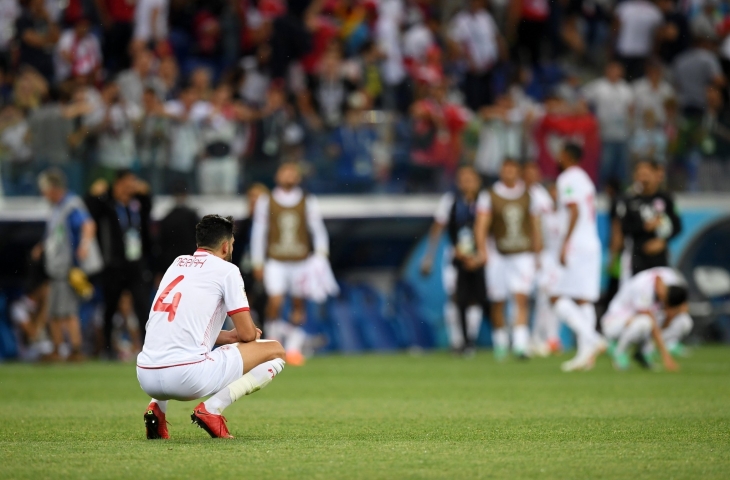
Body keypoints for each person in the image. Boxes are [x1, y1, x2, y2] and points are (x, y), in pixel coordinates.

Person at [137, 215, 286, 440]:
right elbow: (247, 334)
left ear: (199, 244)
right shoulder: (227, 270)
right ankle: (212, 409)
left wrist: (225, 337)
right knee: (275, 351)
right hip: (187, 377)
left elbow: (179, 324)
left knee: (171, 342)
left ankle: (156, 407)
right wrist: (246, 335)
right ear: (226, 246)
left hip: (145, 374)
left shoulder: (176, 264)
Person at [250, 162, 334, 366]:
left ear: (297, 177)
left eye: (292, 173)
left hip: (300, 261)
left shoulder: (307, 200)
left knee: (298, 304)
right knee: (275, 302)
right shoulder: (267, 201)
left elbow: (317, 228)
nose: (288, 176)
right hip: (276, 260)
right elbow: (259, 232)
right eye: (284, 172)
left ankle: (294, 347)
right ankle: (272, 344)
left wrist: (321, 255)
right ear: (277, 176)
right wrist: (257, 261)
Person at [473, 158, 541, 360]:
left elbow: (535, 224)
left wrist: (538, 252)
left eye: (512, 170)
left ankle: (520, 343)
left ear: (518, 172)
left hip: (522, 254)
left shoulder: (529, 194)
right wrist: (482, 250)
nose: (509, 173)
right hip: (499, 254)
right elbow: (481, 225)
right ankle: (501, 343)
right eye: (505, 170)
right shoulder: (490, 195)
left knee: (521, 298)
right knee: (498, 301)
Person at [85, 170, 153, 358]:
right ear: (118, 183)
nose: (132, 186)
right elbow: (90, 211)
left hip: (136, 264)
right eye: (129, 182)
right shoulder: (106, 204)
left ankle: (148, 349)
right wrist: (94, 193)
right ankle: (108, 349)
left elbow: (149, 210)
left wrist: (146, 193)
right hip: (113, 265)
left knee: (142, 306)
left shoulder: (136, 203)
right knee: (110, 307)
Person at [420, 166, 487, 356]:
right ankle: (457, 340)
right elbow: (437, 228)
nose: (466, 182)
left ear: (477, 181)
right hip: (455, 256)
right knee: (455, 297)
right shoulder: (449, 201)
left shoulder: (485, 200)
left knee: (476, 299)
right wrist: (429, 257)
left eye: (470, 178)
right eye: (462, 178)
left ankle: (470, 339)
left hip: (479, 255)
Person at [551, 143, 606, 372]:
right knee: (584, 299)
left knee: (556, 297)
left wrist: (565, 243)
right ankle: (586, 354)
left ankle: (592, 339)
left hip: (577, 244)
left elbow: (574, 210)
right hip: (591, 243)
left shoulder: (567, 179)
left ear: (565, 155)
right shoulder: (585, 179)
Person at [38, 168, 99, 362]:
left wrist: (84, 245)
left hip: (67, 269)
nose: (43, 193)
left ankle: (75, 349)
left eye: (45, 189)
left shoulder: (71, 205)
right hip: (55, 269)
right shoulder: (57, 207)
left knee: (67, 312)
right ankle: (57, 349)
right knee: (54, 312)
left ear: (54, 188)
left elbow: (88, 225)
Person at [601, 267, 689, 372]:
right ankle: (619, 352)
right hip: (615, 323)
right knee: (645, 322)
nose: (662, 303)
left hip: (636, 323)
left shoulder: (671, 278)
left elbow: (683, 305)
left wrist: (671, 315)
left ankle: (643, 352)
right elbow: (653, 326)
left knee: (684, 321)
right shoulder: (642, 287)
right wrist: (665, 355)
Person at [523, 162, 561, 356]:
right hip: (525, 253)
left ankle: (546, 338)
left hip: (546, 255)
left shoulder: (542, 197)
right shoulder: (519, 195)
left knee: (546, 295)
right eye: (527, 173)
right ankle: (527, 338)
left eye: (534, 172)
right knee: (523, 297)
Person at [620, 160, 682, 276]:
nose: (643, 179)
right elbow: (625, 228)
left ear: (655, 175)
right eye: (640, 175)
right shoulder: (630, 200)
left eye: (646, 175)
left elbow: (678, 226)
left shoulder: (666, 199)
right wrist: (644, 227)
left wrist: (663, 241)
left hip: (660, 258)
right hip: (637, 258)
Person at [155, 181, 199, 280]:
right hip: (191, 266)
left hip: (172, 267)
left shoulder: (167, 219)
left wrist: (160, 270)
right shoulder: (193, 217)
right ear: (186, 194)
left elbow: (161, 247)